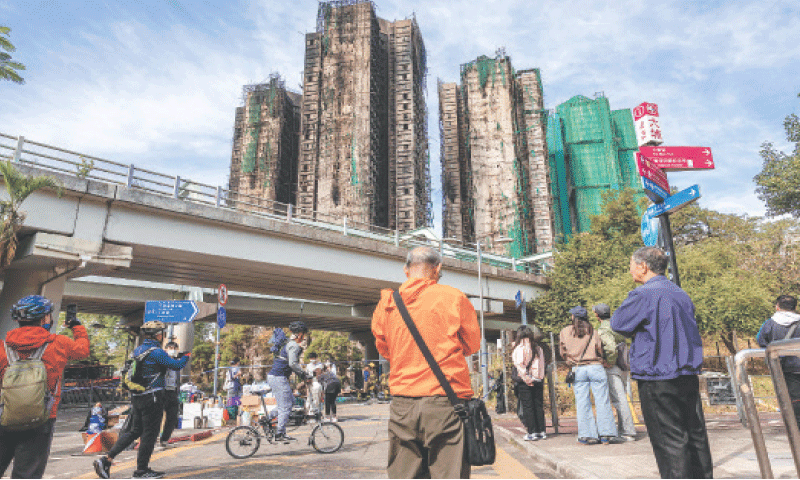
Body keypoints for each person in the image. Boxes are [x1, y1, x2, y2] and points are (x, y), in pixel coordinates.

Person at [372, 246, 481, 478]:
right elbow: (472, 345)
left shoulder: (387, 304)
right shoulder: (454, 298)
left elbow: (385, 349)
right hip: (445, 402)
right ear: (437, 268)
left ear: (406, 271)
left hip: (403, 404)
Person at [611, 246, 712, 479]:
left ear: (643, 266)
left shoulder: (643, 294)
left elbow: (618, 323)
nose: (631, 271)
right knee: (694, 433)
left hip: (657, 375)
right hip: (686, 373)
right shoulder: (680, 293)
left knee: (669, 439)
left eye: (631, 266)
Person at [0, 295, 90, 478]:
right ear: (45, 319)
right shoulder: (59, 343)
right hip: (41, 419)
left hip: (3, 417)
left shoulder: (2, 347)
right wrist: (77, 327)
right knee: (27, 474)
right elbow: (82, 350)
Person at [94, 321, 191, 479]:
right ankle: (141, 471)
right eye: (163, 333)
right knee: (149, 434)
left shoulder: (138, 350)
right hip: (152, 397)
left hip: (138, 397)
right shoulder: (157, 352)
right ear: (158, 335)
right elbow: (176, 365)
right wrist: (186, 356)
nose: (163, 336)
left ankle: (106, 459)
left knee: (135, 431)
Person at [560, 306, 621, 445]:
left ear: (573, 317)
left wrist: (570, 361)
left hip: (578, 368)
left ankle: (587, 436)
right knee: (602, 401)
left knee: (582, 403)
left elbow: (562, 351)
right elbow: (600, 348)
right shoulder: (593, 330)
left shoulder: (564, 332)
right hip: (596, 367)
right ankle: (606, 434)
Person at [757, 295, 800, 430]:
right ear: (795, 308)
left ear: (777, 307)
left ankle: (796, 427)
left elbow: (761, 340)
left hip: (784, 367)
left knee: (793, 398)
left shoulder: (769, 323)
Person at [594, 303, 637, 441]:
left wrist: (609, 362)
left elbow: (611, 348)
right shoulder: (616, 325)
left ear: (597, 315)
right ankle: (622, 430)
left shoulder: (603, 329)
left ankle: (628, 433)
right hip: (623, 365)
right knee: (622, 397)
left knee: (619, 400)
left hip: (612, 368)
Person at [266, 320, 308, 443]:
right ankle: (280, 433)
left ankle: (266, 419)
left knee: (291, 402)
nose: (304, 337)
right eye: (304, 334)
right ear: (300, 334)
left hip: (276, 377)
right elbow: (293, 364)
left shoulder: (288, 343)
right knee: (285, 408)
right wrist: (304, 375)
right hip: (278, 378)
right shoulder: (293, 345)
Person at [512, 325, 546, 441]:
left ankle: (531, 432)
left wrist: (526, 379)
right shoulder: (538, 348)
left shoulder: (519, 348)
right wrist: (539, 378)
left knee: (528, 407)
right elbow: (541, 365)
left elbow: (519, 366)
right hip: (538, 380)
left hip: (525, 381)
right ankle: (541, 431)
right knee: (538, 406)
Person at [158, 341, 182, 450]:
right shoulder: (162, 360)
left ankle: (164, 440)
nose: (173, 349)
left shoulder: (177, 362)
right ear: (166, 349)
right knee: (156, 418)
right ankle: (151, 441)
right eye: (170, 347)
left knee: (172, 417)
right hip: (162, 392)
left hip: (172, 392)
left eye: (174, 348)